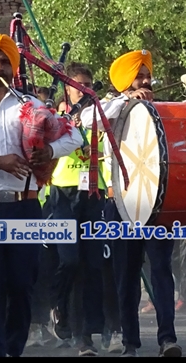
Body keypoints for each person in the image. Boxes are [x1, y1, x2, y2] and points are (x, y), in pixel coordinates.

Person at [0, 34, 84, 358]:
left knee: (23, 283)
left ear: (13, 67)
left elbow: (75, 137)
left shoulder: (30, 105)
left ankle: (13, 348)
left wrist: (50, 150)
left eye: (4, 62)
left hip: (24, 206)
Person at [79, 50, 183, 357]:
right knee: (125, 275)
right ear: (125, 82)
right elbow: (86, 119)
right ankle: (130, 343)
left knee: (161, 269)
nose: (146, 81)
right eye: (139, 76)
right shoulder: (111, 107)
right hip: (121, 204)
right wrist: (125, 100)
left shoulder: (158, 108)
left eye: (148, 75)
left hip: (157, 204)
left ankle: (168, 340)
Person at [44, 61, 106, 356]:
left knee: (91, 265)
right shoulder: (55, 118)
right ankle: (57, 305)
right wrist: (69, 125)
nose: (85, 91)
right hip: (63, 193)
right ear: (67, 90)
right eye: (78, 86)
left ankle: (85, 335)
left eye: (89, 87)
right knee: (68, 260)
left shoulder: (101, 117)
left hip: (94, 193)